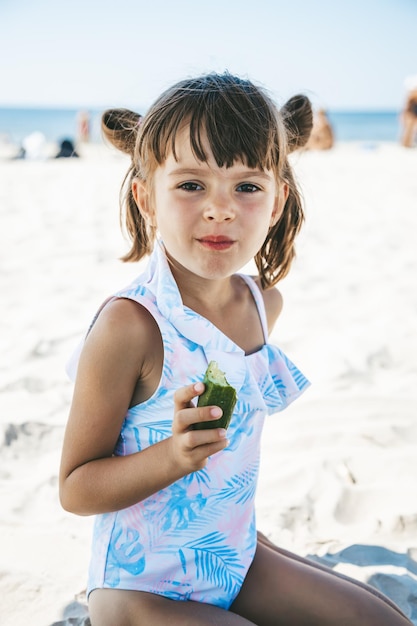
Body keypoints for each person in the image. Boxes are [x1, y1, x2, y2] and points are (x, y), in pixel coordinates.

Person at [59, 72, 412, 626]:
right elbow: (76, 488)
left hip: (233, 556)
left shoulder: (261, 305)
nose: (219, 209)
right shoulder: (131, 326)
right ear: (145, 196)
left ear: (276, 201)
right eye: (191, 184)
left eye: (246, 186)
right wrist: (170, 457)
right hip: (141, 588)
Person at [400, 76, 417, 147]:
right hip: (411, 111)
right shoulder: (411, 95)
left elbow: (406, 107)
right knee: (408, 129)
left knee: (408, 129)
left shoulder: (411, 95)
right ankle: (406, 144)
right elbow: (407, 107)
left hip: (411, 110)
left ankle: (406, 144)